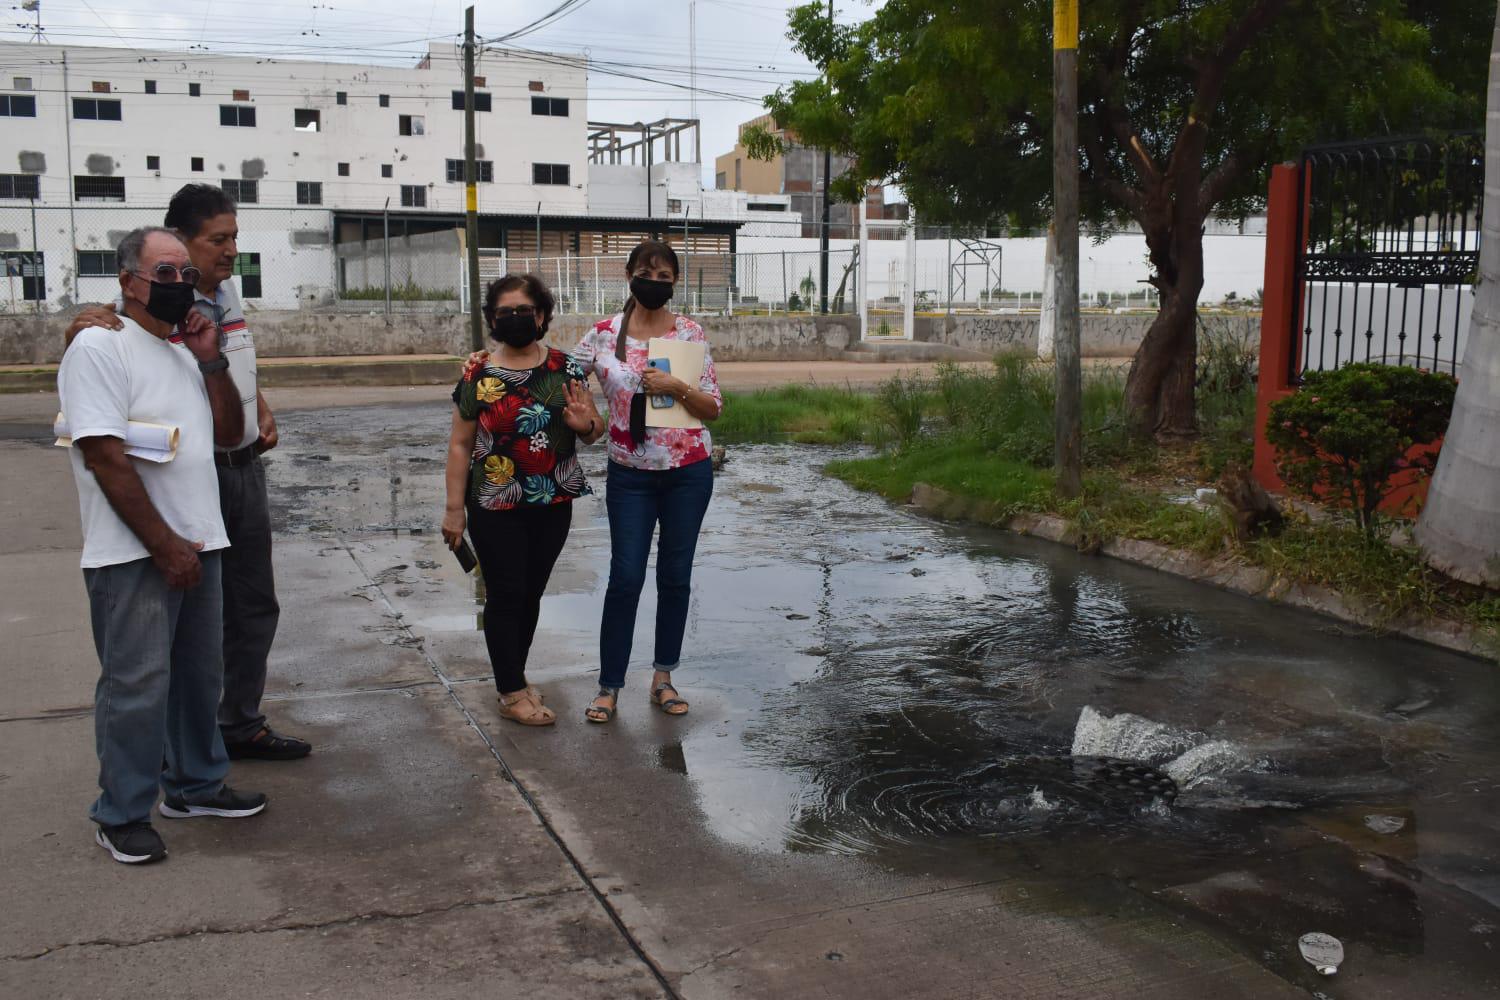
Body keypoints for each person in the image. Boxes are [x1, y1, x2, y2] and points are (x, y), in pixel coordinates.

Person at [65, 184, 309, 761]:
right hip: (187, 476)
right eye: (217, 239)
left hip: (242, 466)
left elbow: (233, 363)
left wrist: (259, 404)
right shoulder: (154, 304)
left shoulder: (226, 294)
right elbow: (107, 347)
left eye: (234, 238)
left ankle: (237, 724)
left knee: (253, 605)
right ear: (181, 240)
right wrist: (86, 323)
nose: (229, 251)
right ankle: (179, 752)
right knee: (179, 625)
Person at [59, 228, 268, 865]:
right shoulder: (100, 347)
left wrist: (211, 361)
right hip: (135, 553)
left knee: (198, 680)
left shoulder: (182, 351)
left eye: (185, 272)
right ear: (129, 282)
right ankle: (121, 812)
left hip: (200, 540)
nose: (180, 284)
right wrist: (163, 545)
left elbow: (233, 438)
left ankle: (195, 786)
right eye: (164, 273)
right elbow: (103, 456)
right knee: (137, 685)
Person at [442, 274, 606, 726]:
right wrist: (454, 509)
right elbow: (460, 444)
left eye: (524, 310)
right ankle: (512, 690)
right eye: (505, 311)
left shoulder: (566, 368)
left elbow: (595, 430)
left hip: (554, 501)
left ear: (542, 315)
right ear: (492, 319)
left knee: (531, 592)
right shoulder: (477, 373)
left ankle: (514, 675)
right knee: (506, 593)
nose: (515, 318)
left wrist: (583, 426)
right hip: (494, 503)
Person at [572, 240, 723, 724]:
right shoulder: (601, 335)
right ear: (629, 275)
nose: (654, 282)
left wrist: (676, 385)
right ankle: (609, 685)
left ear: (675, 282)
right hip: (630, 478)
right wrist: (489, 361)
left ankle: (663, 678)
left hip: (688, 474)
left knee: (675, 577)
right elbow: (558, 379)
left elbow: (712, 407)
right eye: (646, 272)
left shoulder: (689, 334)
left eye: (663, 276)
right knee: (626, 578)